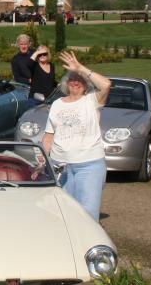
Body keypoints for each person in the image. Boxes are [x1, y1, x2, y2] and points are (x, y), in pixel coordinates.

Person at [41, 52, 112, 221]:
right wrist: (42, 162)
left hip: (89, 166)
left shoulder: (92, 100)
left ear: (86, 85)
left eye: (80, 79)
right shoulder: (57, 105)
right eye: (72, 78)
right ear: (66, 83)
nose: (75, 82)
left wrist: (79, 68)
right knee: (62, 212)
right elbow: (49, 136)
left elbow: (106, 85)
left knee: (87, 214)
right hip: (61, 167)